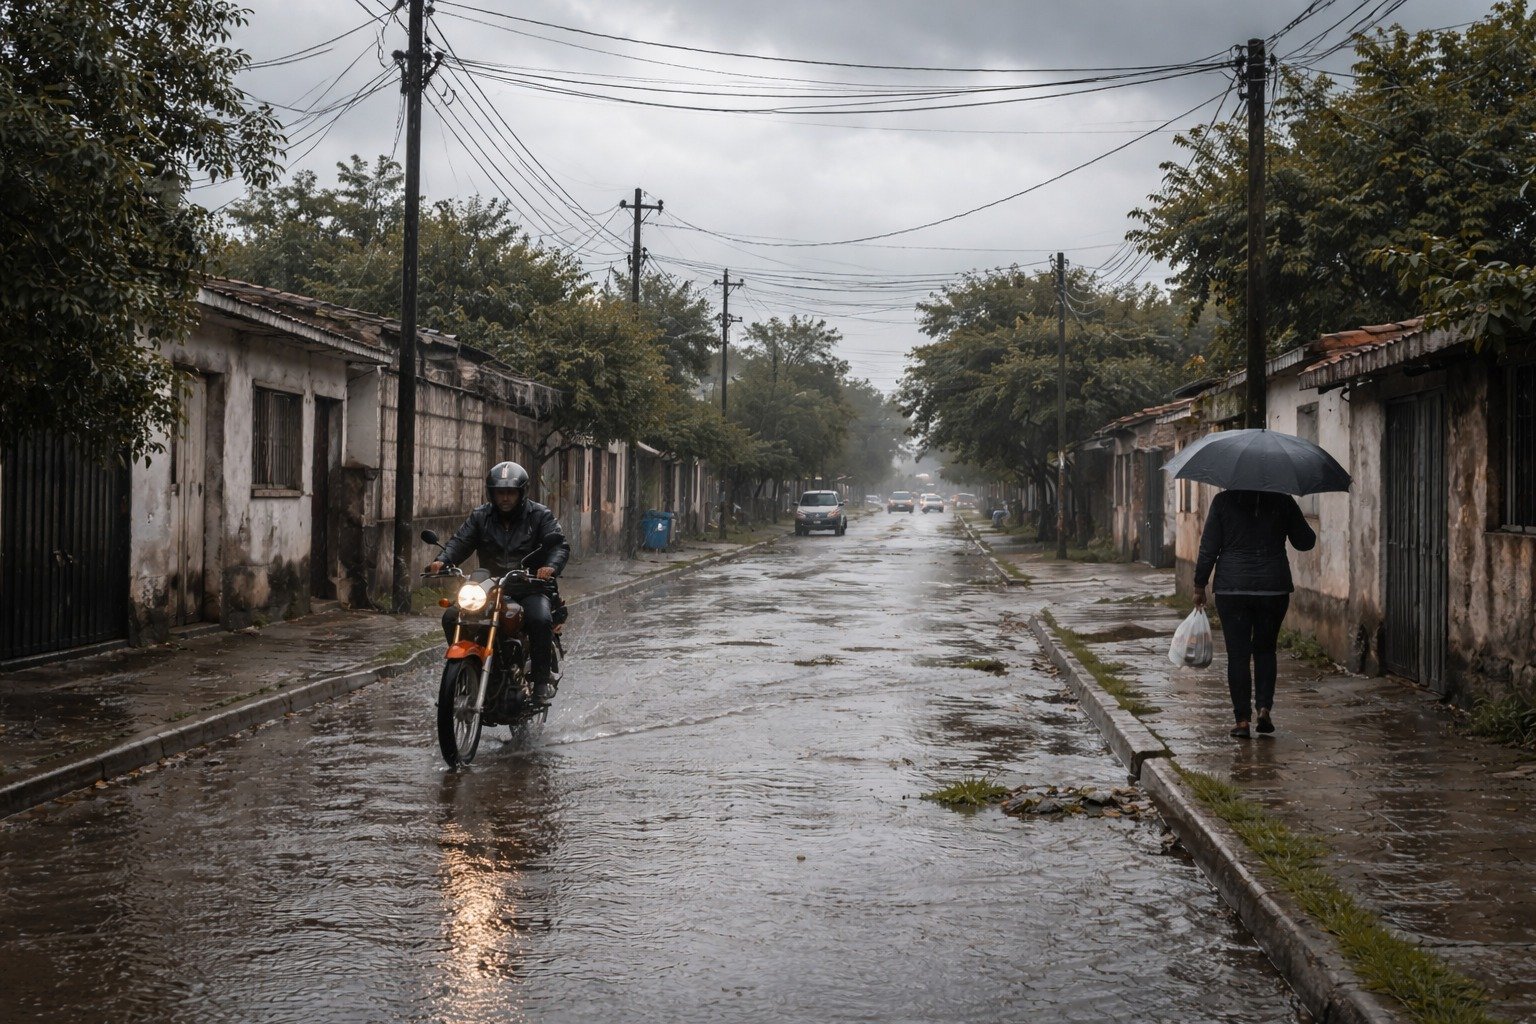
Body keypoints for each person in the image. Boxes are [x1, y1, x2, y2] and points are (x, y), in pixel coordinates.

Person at [429, 461, 570, 702]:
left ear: (521, 493)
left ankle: (540, 681)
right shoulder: (481, 516)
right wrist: (443, 560)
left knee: (540, 619)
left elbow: (558, 545)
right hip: (489, 584)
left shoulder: (539, 515)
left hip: (530, 584)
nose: (505, 498)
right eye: (499, 492)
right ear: (492, 493)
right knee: (452, 615)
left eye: (510, 492)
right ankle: (471, 666)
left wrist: (551, 566)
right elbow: (460, 541)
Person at [1192, 489, 1317, 739]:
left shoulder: (1223, 501)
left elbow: (1209, 547)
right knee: (1265, 649)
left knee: (1238, 655)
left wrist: (1199, 584)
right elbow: (1305, 541)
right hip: (1273, 588)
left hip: (1232, 589)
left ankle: (1241, 722)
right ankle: (1263, 707)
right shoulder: (1282, 500)